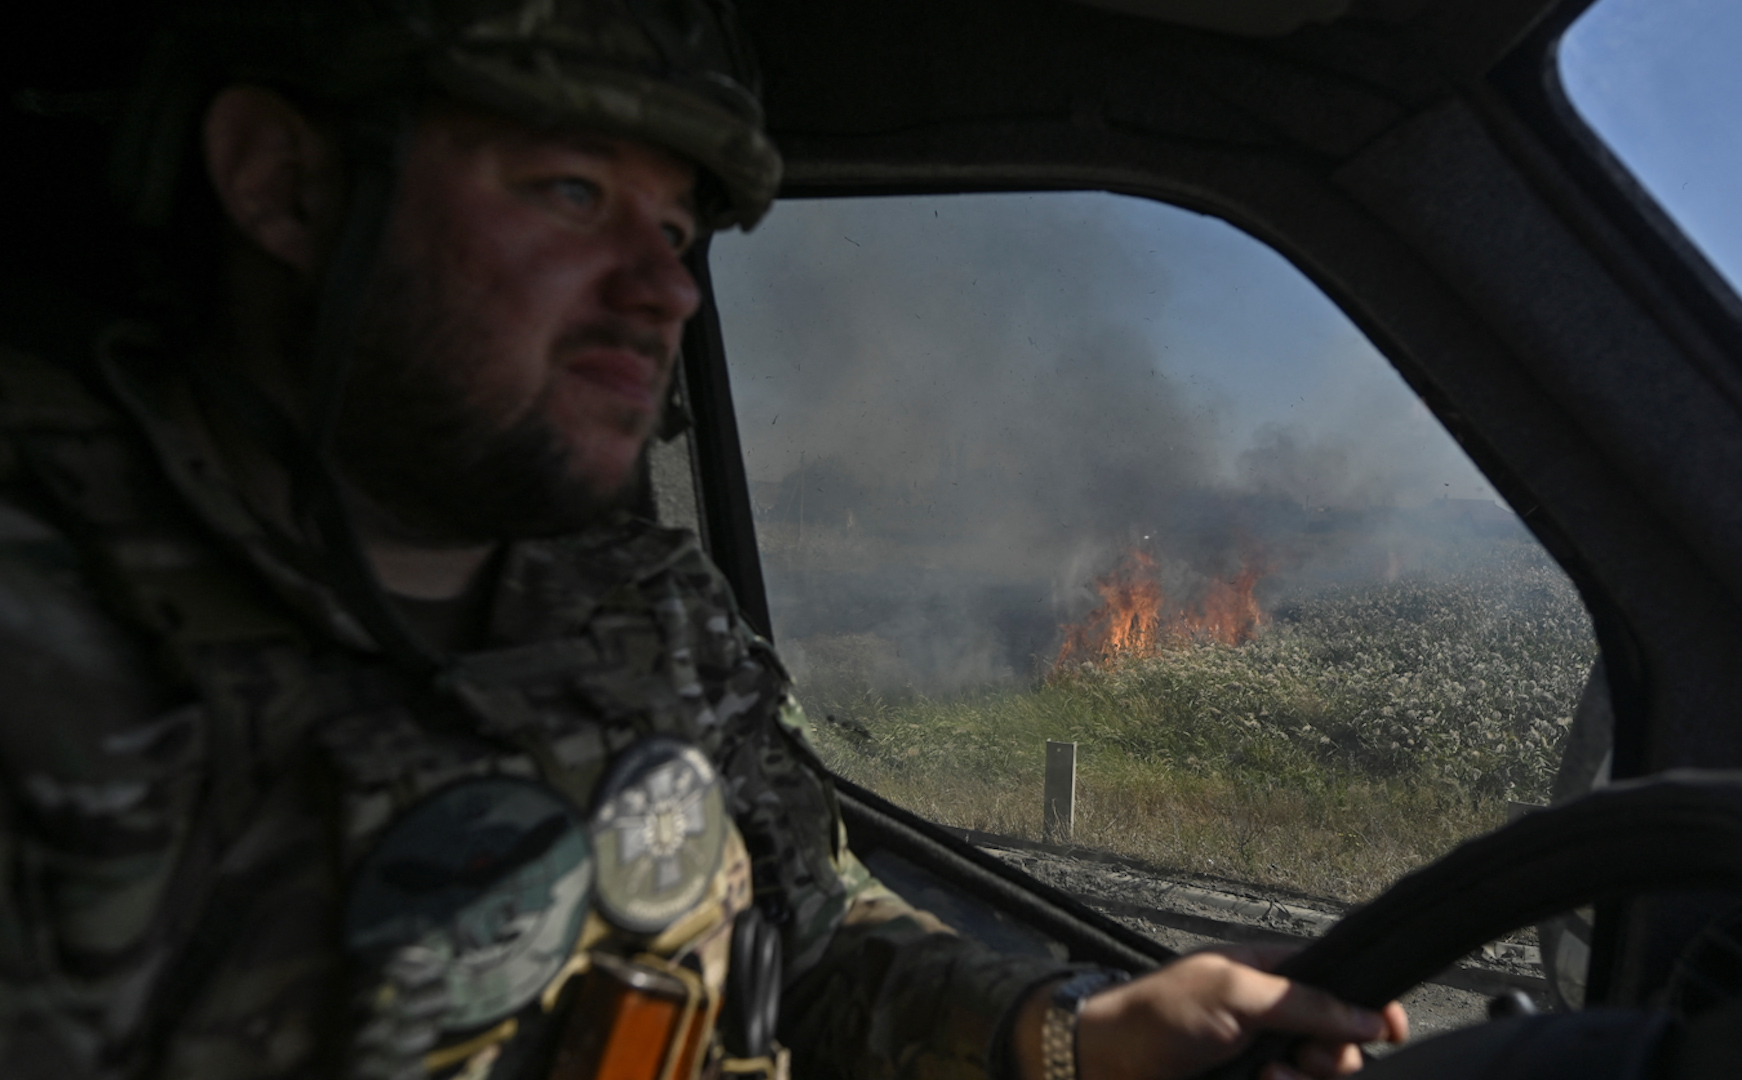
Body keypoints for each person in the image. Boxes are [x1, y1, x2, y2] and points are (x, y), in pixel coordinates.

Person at [0, 2, 1408, 1078]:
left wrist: (1074, 1031)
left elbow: (806, 929)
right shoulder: (51, 635)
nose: (665, 288)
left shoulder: (636, 604)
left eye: (679, 227)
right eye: (570, 192)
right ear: (286, 184)